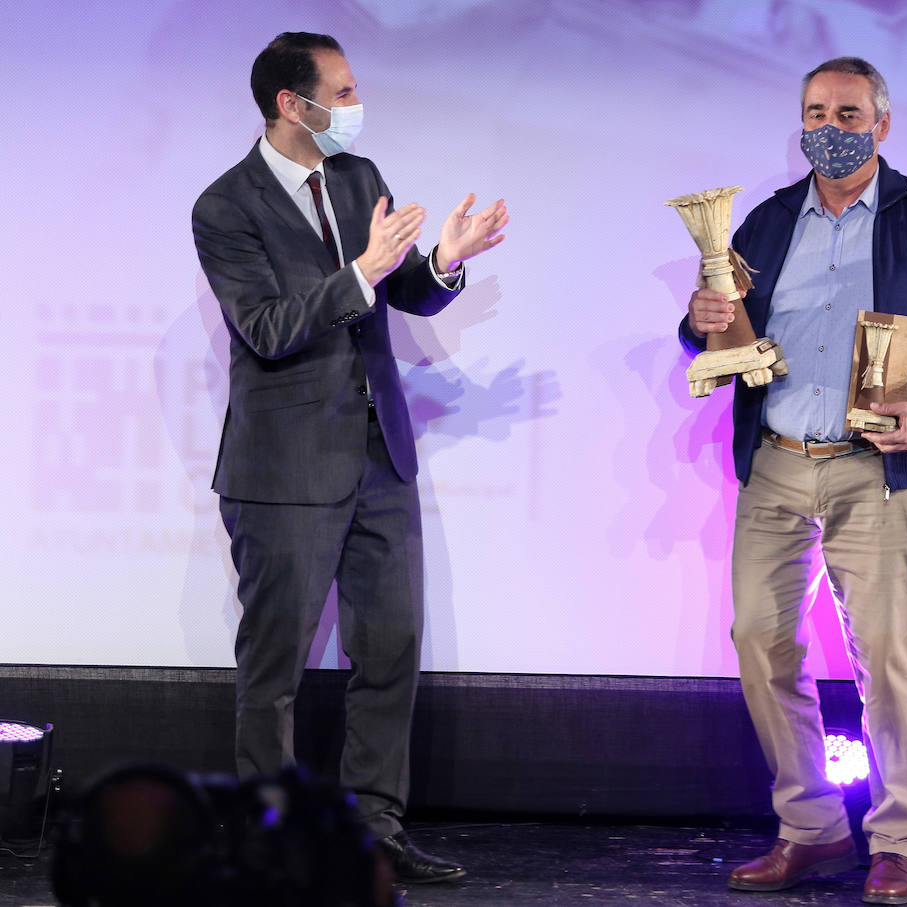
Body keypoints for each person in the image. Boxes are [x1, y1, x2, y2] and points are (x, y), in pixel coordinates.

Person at [679, 56, 907, 904]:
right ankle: (812, 826)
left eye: (850, 113)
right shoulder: (765, 220)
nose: (831, 128)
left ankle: (897, 839)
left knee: (890, 658)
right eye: (816, 111)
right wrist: (698, 321)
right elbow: (717, 336)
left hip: (881, 471)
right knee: (759, 638)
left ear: (882, 125)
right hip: (778, 462)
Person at [191, 32, 507, 885]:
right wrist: (362, 271)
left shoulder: (360, 177)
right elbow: (267, 328)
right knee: (277, 665)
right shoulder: (225, 207)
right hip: (283, 471)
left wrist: (445, 260)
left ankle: (377, 828)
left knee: (391, 647)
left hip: (379, 458)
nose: (354, 103)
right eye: (343, 89)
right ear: (295, 105)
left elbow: (399, 288)